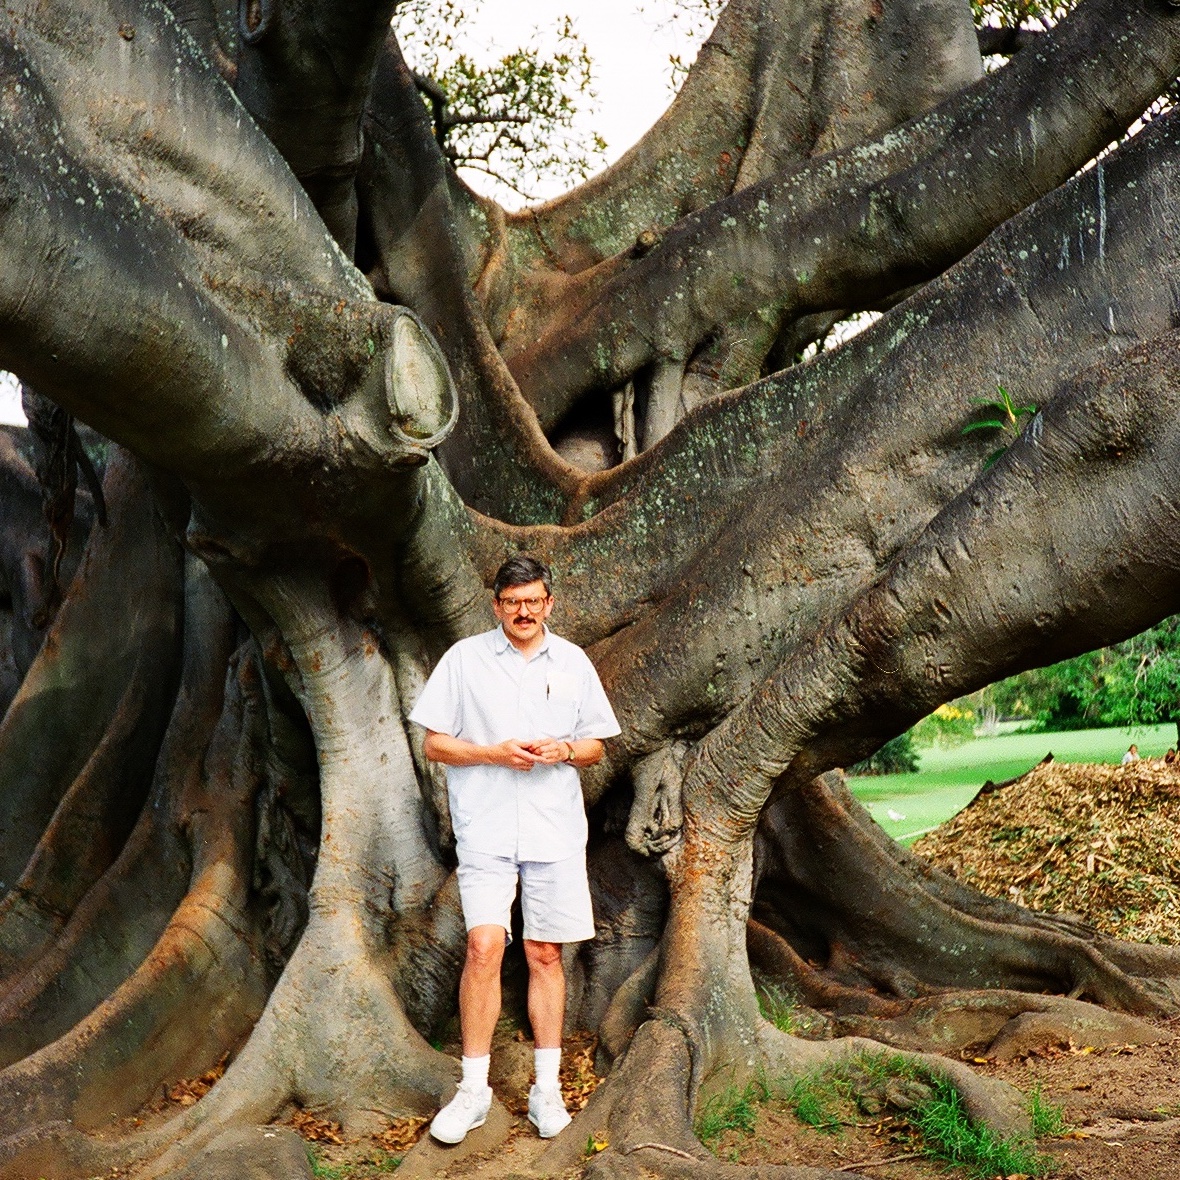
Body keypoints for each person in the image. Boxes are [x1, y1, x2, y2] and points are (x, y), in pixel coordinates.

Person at [409, 555, 621, 1144]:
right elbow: (434, 745)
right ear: (496, 605)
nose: (523, 611)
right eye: (512, 602)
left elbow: (597, 746)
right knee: (483, 947)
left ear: (549, 603)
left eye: (533, 601)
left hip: (554, 828)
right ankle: (473, 1091)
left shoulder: (573, 662)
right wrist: (493, 753)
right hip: (486, 826)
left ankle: (545, 1091)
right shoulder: (464, 659)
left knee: (544, 953)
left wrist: (564, 750)